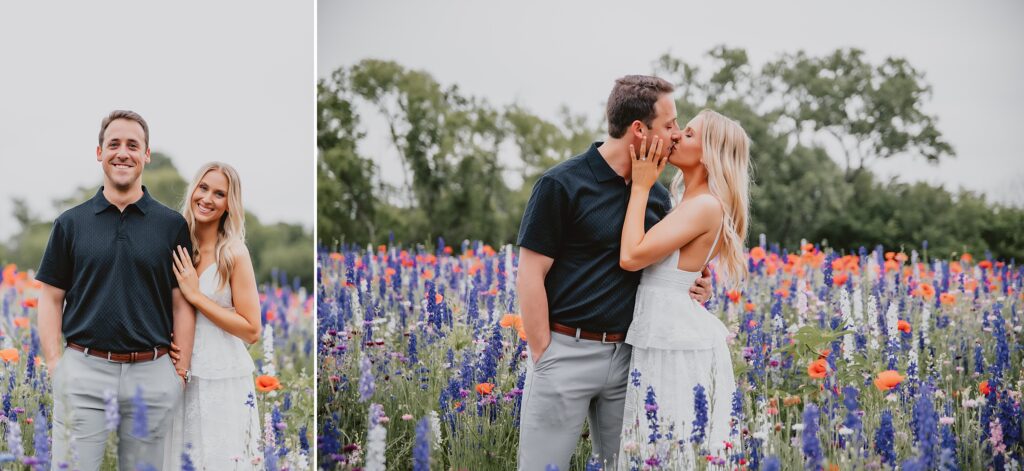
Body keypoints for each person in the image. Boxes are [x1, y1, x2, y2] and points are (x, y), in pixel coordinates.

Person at [515, 75, 713, 470]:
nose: (676, 134)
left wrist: (696, 284)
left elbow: (659, 265)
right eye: (670, 125)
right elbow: (530, 273)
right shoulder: (562, 184)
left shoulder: (656, 195)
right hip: (566, 350)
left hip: (631, 357)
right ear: (639, 129)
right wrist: (544, 353)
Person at [37, 110, 196, 471]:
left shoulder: (172, 226)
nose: (122, 152)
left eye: (132, 145)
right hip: (83, 367)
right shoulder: (70, 223)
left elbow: (182, 301)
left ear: (146, 155)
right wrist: (53, 364)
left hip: (151, 373)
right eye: (114, 144)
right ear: (99, 153)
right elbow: (50, 297)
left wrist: (180, 371)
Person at [617, 109, 749, 468]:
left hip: (672, 340)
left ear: (707, 153)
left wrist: (642, 186)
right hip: (664, 329)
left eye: (688, 134)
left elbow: (631, 256)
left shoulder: (705, 205)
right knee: (656, 444)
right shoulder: (687, 202)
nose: (675, 136)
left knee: (669, 444)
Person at [164, 162, 263, 469]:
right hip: (178, 370)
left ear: (228, 205)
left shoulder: (233, 252)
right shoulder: (175, 245)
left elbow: (251, 330)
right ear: (193, 190)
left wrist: (197, 296)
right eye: (203, 188)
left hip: (222, 376)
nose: (207, 198)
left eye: (219, 194)